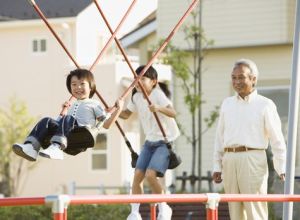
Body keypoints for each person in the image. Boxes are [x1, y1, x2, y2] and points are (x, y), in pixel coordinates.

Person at [212, 58, 286, 220]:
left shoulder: (265, 104)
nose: (236, 81)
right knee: (235, 211)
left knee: (255, 209)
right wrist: (217, 165)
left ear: (253, 79)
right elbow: (220, 136)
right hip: (229, 160)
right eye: (233, 77)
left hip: (253, 158)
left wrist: (281, 166)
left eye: (241, 77)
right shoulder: (227, 104)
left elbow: (277, 139)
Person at [13, 68, 123, 161]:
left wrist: (118, 109)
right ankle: (32, 147)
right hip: (68, 135)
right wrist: (64, 111)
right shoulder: (72, 104)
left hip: (82, 133)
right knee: (46, 120)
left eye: (82, 84)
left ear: (91, 87)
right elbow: (60, 123)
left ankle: (56, 147)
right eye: (74, 84)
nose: (78, 87)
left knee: (68, 118)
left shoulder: (94, 104)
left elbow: (106, 124)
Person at [119, 65, 180, 220]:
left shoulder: (158, 95)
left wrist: (158, 108)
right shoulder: (137, 97)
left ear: (153, 81)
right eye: (136, 79)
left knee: (151, 175)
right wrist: (115, 111)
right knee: (138, 175)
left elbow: (173, 112)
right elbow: (126, 114)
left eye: (142, 79)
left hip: (164, 141)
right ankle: (134, 212)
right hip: (149, 142)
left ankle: (164, 207)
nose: (138, 82)